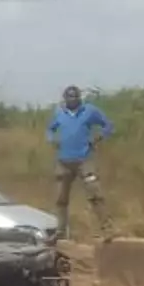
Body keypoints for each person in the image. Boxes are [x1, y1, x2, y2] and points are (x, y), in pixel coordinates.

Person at [47, 85, 115, 240]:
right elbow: (50, 129)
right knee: (61, 198)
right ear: (65, 98)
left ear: (80, 97)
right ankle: (60, 231)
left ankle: (107, 229)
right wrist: (52, 139)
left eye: (75, 96)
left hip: (84, 159)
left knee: (94, 193)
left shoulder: (89, 111)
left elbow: (108, 125)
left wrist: (97, 137)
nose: (73, 99)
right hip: (64, 161)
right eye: (69, 96)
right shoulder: (59, 112)